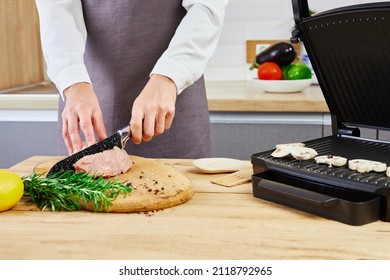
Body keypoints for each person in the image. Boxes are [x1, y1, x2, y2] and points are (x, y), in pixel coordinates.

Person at [35, 0, 229, 158]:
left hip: (175, 94)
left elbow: (205, 8)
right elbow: (56, 8)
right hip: (86, 94)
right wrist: (73, 81)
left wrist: (171, 74)